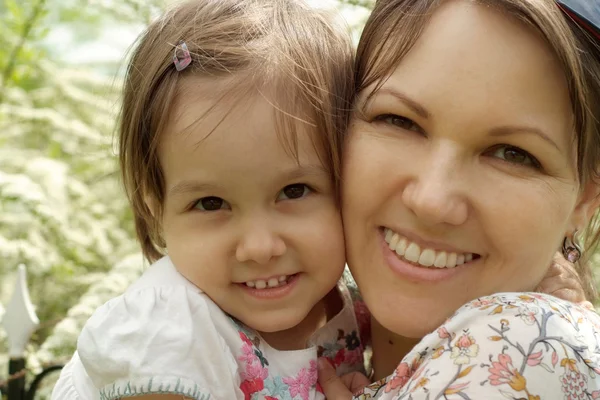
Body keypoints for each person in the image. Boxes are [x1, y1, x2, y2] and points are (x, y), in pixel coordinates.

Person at [50, 0, 369, 399]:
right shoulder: (169, 334)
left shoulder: (348, 299)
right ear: (155, 207)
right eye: (211, 203)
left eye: (294, 191)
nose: (259, 248)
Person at [317, 0, 600, 398]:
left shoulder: (532, 345)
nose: (432, 200)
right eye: (400, 120)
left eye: (511, 153)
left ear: (585, 200)